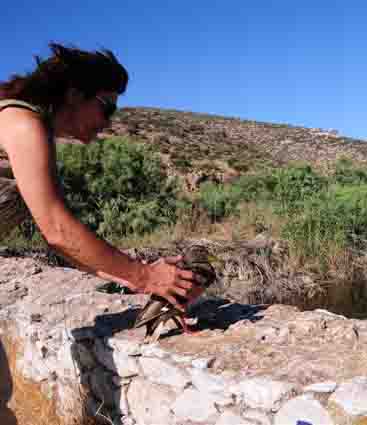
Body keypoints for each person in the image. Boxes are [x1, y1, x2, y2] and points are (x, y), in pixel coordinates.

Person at [0, 43, 205, 422]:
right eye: (106, 106)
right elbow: (57, 230)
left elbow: (63, 241)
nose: (108, 122)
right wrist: (146, 275)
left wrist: (144, 278)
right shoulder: (21, 122)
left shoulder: (25, 125)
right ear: (74, 93)